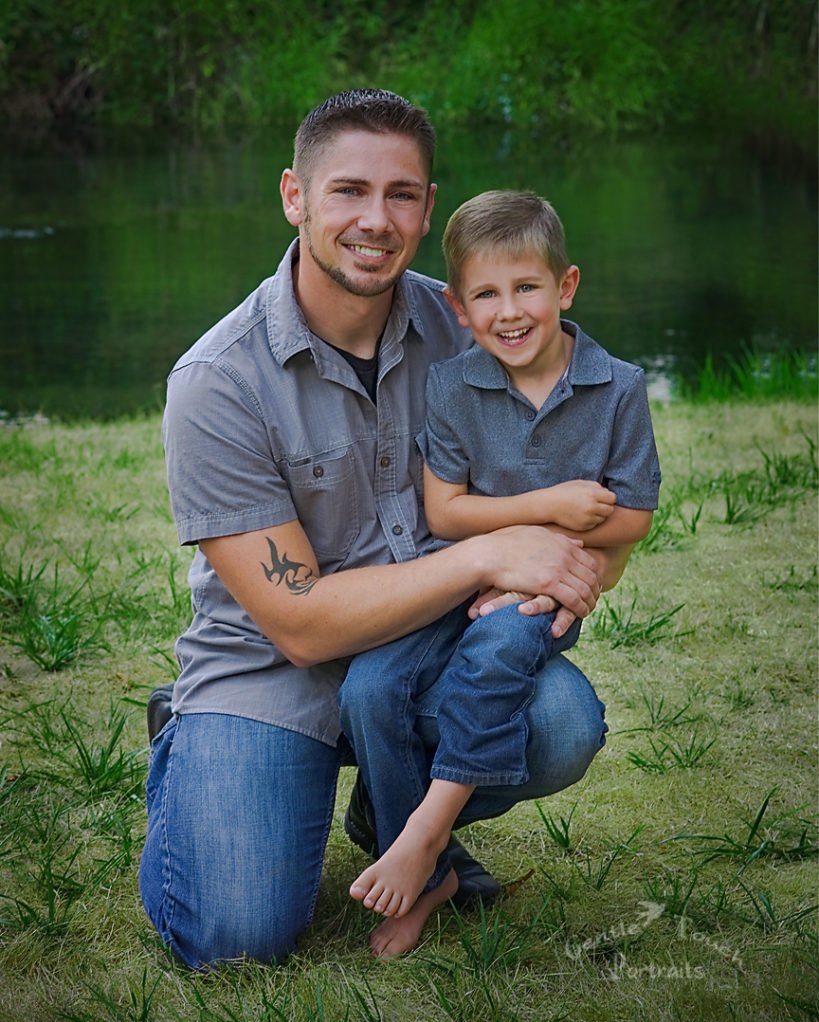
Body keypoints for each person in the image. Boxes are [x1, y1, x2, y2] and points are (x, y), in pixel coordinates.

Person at [139, 90, 621, 970]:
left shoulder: (472, 328)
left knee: (560, 722)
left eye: (401, 194)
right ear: (294, 197)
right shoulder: (218, 380)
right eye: (348, 191)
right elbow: (298, 621)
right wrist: (486, 552)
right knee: (234, 940)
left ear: (429, 208)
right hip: (268, 671)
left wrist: (560, 561)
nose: (376, 219)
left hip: (426, 652)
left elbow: (571, 476)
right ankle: (197, 744)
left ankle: (389, 817)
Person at [338, 189, 661, 957]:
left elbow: (631, 516)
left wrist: (545, 567)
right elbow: (445, 513)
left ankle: (420, 836)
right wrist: (547, 510)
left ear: (565, 286)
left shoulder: (615, 388)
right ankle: (436, 869)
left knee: (497, 654)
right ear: (457, 306)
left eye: (526, 287)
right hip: (452, 573)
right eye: (486, 294)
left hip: (539, 593)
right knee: (369, 689)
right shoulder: (453, 388)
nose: (508, 311)